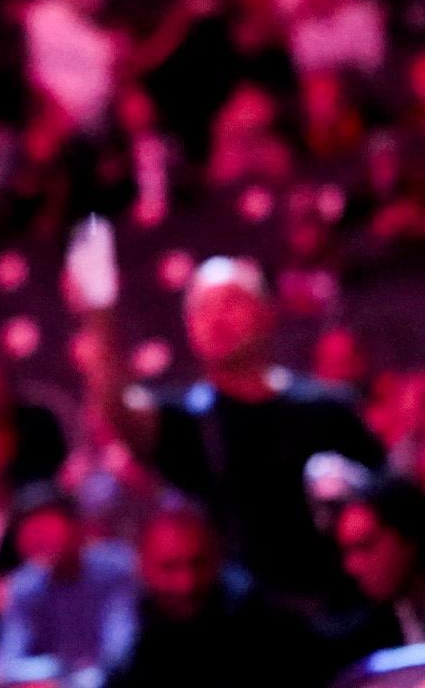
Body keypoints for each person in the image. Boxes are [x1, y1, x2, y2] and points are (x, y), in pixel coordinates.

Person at [70, 219, 386, 613]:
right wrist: (98, 310)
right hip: (242, 623)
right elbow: (118, 408)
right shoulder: (185, 421)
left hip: (344, 610)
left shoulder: (328, 409)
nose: (217, 319)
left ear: (267, 312)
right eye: (203, 309)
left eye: (232, 303)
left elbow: (387, 500)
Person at [105, 500, 326, 687]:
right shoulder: (128, 645)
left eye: (198, 563)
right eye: (170, 568)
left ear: (218, 558)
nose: (187, 583)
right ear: (143, 567)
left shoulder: (265, 629)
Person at [0, 485, 138, 683]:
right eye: (32, 531)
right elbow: (8, 663)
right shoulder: (23, 587)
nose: (41, 538)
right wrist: (55, 671)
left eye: (49, 527)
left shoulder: (115, 568)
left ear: (78, 526)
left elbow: (120, 650)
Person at [332, 475, 425, 664]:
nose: (351, 567)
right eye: (347, 552)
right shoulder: (369, 637)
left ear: (408, 536)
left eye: (365, 547)